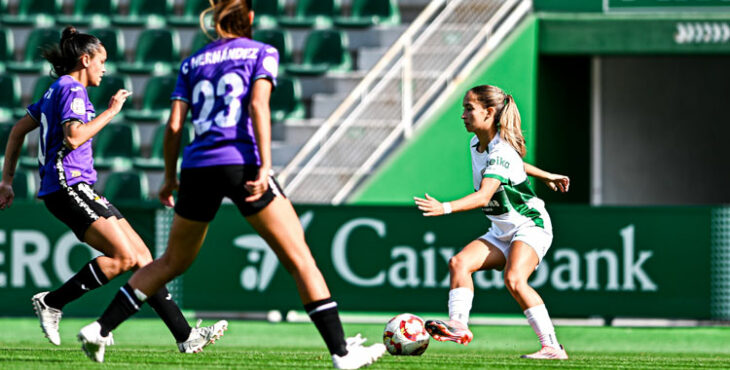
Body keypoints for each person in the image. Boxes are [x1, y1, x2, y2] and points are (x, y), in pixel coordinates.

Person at [77, 1, 386, 368]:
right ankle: (341, 353)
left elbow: (175, 125)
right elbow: (258, 105)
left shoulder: (192, 62)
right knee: (300, 259)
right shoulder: (261, 52)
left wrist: (170, 177)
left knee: (172, 261)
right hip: (241, 162)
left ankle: (100, 327)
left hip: (197, 166)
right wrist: (266, 165)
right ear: (250, 17)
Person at [0, 26, 226, 359]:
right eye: (101, 61)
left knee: (144, 258)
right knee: (124, 258)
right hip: (67, 186)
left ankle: (185, 335)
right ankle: (53, 302)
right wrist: (111, 112)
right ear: (85, 58)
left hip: (74, 186)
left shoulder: (55, 89)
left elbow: (18, 130)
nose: (104, 68)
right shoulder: (72, 90)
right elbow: (74, 138)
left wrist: (7, 180)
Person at [414, 85, 570, 360]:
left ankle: (552, 347)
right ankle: (459, 325)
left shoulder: (500, 150)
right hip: (501, 230)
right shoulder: (478, 144)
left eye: (468, 108)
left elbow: (485, 194)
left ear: (488, 113)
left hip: (529, 225)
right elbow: (516, 165)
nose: (463, 115)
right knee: (459, 263)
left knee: (514, 279)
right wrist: (545, 175)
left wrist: (446, 207)